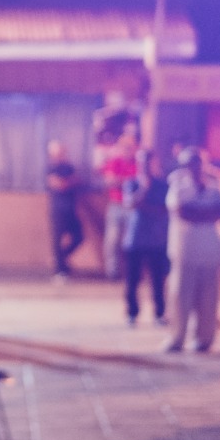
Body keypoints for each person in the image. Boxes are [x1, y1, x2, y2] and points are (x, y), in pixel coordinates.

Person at [162, 148, 220, 353]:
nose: (194, 167)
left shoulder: (217, 182)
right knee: (180, 296)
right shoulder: (177, 183)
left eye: (198, 162)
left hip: (211, 249)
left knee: (210, 296)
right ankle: (177, 337)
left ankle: (205, 338)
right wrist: (205, 213)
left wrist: (198, 212)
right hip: (185, 249)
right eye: (190, 163)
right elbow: (182, 211)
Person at [122, 147, 170, 327]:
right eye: (140, 161)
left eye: (147, 161)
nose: (144, 165)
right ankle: (132, 312)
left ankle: (159, 313)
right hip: (134, 239)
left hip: (156, 240)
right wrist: (143, 189)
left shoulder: (163, 185)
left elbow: (164, 210)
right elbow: (130, 204)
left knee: (158, 280)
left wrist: (144, 206)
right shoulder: (132, 183)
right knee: (132, 280)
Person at [96, 132, 138, 280]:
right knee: (112, 240)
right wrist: (128, 182)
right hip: (116, 206)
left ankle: (131, 272)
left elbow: (141, 185)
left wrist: (122, 182)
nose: (127, 149)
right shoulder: (115, 162)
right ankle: (112, 273)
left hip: (133, 208)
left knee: (131, 242)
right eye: (124, 146)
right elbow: (109, 181)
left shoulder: (138, 163)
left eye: (130, 147)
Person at [45, 140, 85, 279]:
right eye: (58, 153)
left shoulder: (69, 167)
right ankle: (59, 271)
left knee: (79, 237)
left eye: (62, 152)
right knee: (57, 239)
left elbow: (77, 181)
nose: (61, 155)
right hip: (57, 209)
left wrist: (68, 182)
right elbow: (59, 185)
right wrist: (69, 181)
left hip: (71, 208)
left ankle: (61, 258)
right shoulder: (51, 168)